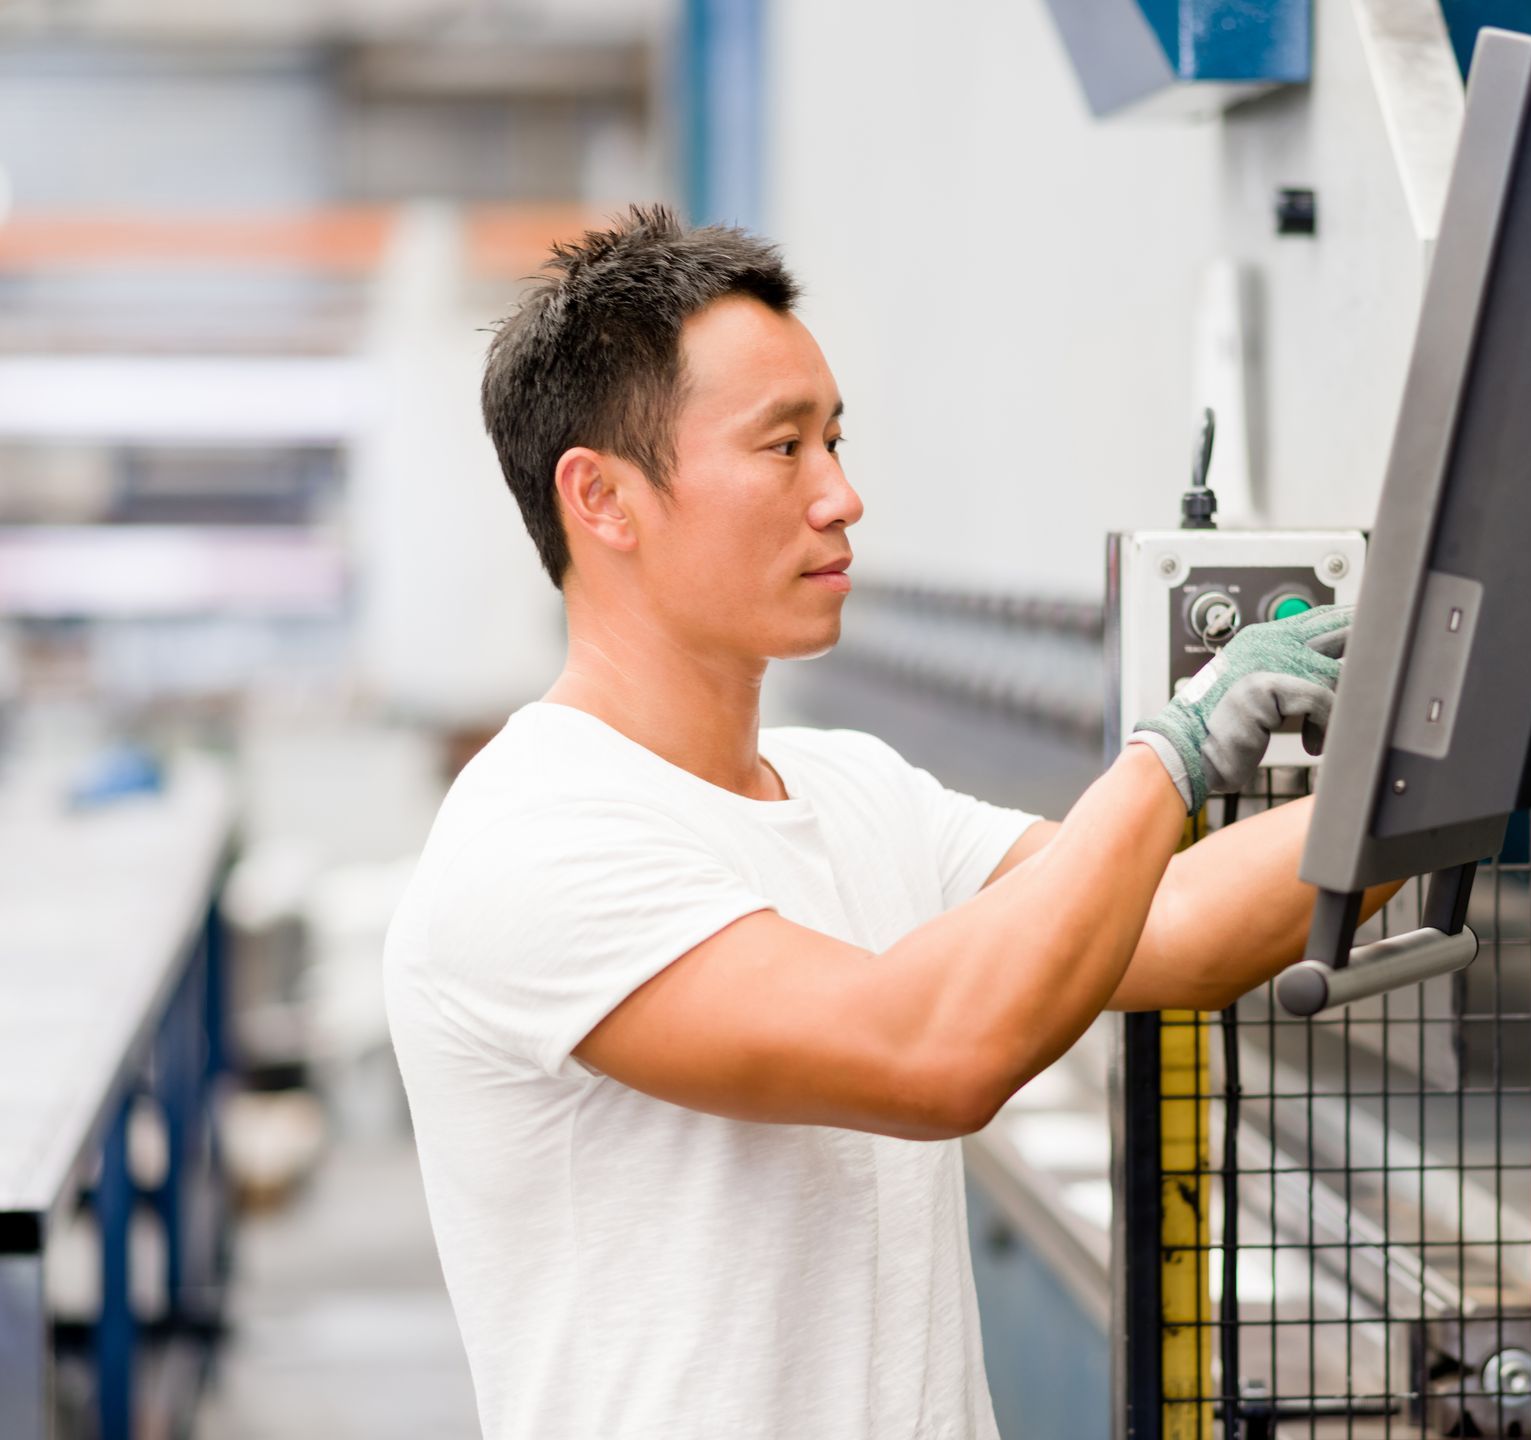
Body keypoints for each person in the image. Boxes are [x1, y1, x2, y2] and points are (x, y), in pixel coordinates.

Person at [383, 204, 1395, 1439]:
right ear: (603, 498)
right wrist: (1171, 757)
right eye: (783, 449)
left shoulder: (855, 792)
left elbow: (1175, 923)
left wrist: (1436, 754)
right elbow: (930, 1056)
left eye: (837, 441)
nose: (843, 497)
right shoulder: (533, 840)